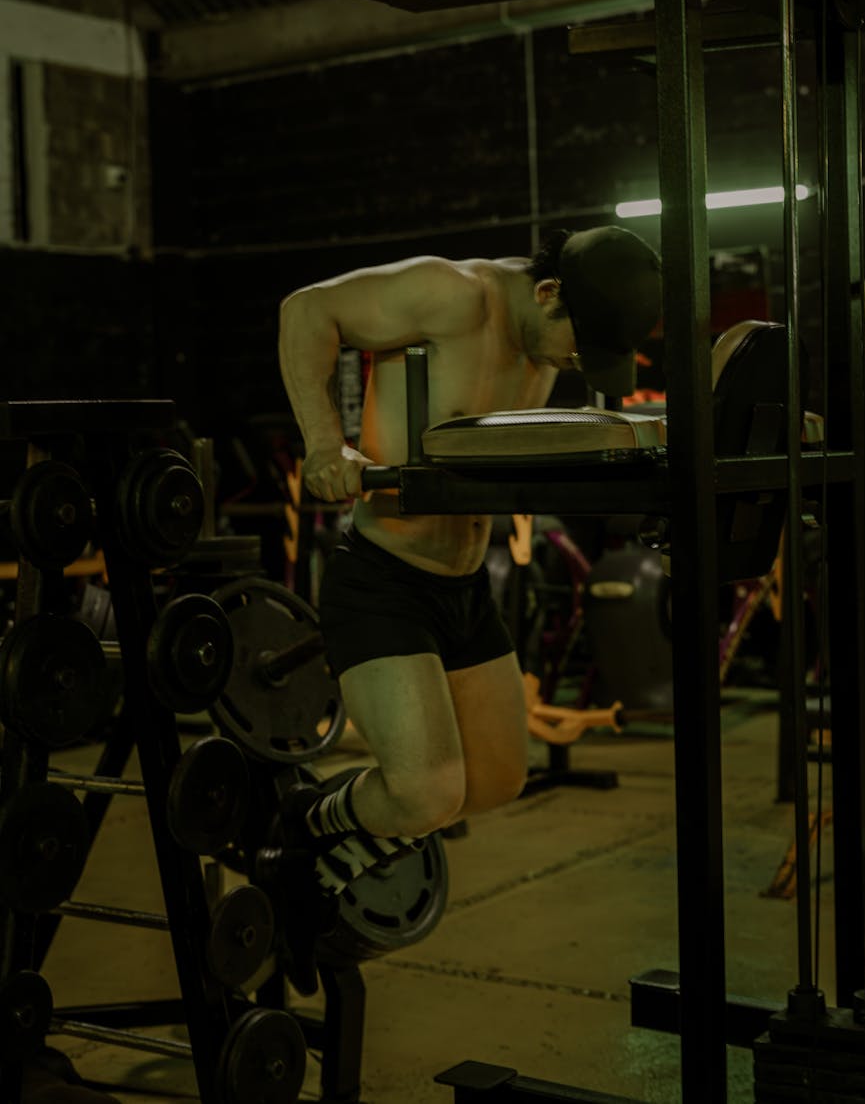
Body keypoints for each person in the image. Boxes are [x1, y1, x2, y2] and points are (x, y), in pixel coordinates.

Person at [276, 225, 661, 989]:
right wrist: (325, 444)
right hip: (381, 577)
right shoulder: (452, 293)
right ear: (547, 294)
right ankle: (294, 829)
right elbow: (303, 310)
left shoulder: (547, 337)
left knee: (494, 781)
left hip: (461, 585)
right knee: (425, 792)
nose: (572, 365)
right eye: (574, 346)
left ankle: (337, 848)